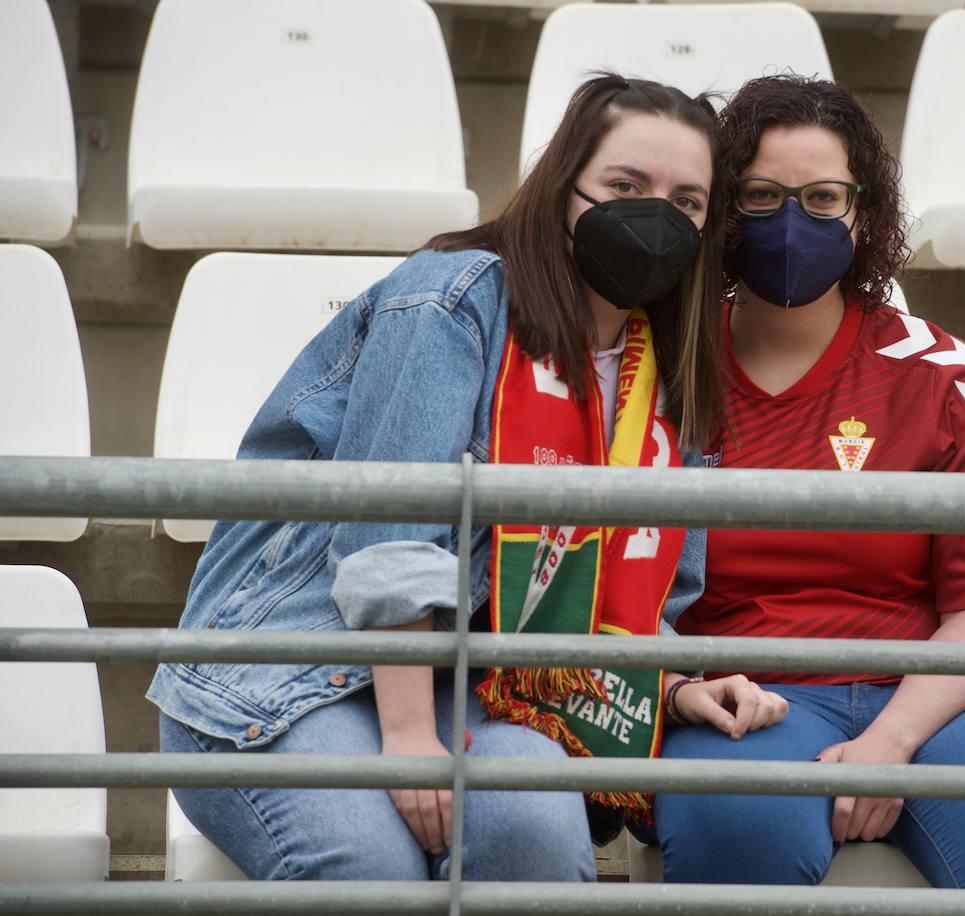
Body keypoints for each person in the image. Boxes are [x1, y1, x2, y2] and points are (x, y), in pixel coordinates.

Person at [148, 74, 786, 883]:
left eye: (686, 202)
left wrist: (672, 686)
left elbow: (649, 589)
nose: (656, 217)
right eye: (626, 187)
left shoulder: (669, 375)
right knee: (371, 865)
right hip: (289, 674)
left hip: (485, 692)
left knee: (536, 828)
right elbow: (391, 531)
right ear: (564, 189)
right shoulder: (452, 298)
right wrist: (410, 736)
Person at [652, 74, 965, 891]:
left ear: (863, 211)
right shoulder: (663, 374)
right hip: (747, 699)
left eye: (823, 197)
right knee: (735, 837)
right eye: (760, 196)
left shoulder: (941, 372)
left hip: (936, 698)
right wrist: (680, 684)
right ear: (722, 210)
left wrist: (893, 740)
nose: (792, 220)